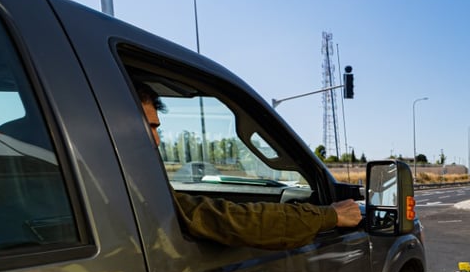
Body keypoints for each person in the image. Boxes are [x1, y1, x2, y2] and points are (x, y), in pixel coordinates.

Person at [137, 84, 361, 249]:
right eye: (148, 127)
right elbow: (231, 220)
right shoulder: (133, 190)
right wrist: (328, 215)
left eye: (157, 128)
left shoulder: (123, 184)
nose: (156, 140)